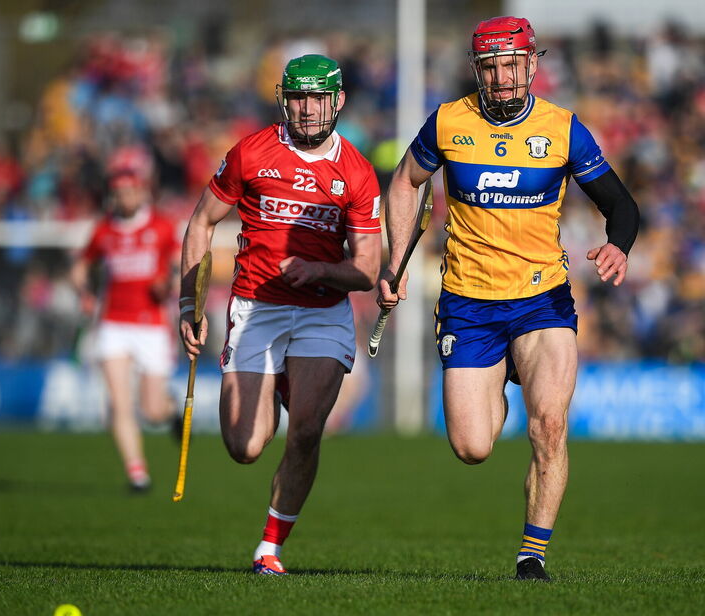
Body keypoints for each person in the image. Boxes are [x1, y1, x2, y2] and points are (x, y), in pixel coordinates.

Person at [378, 16, 639, 581]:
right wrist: (395, 261)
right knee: (472, 447)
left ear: (532, 65)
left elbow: (620, 204)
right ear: (478, 70)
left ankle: (531, 556)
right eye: (491, 67)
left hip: (542, 300)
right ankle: (501, 372)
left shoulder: (563, 129)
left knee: (549, 424)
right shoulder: (448, 122)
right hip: (468, 304)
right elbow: (403, 183)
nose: (502, 77)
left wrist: (618, 246)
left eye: (512, 64)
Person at [179, 54, 382, 575]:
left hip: (322, 312)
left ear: (338, 101)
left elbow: (365, 269)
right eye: (298, 97)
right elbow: (201, 222)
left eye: (318, 98)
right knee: (244, 446)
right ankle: (280, 384)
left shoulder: (357, 172)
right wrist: (189, 303)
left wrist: (320, 271)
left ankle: (269, 547)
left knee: (307, 430)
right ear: (283, 100)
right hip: (256, 308)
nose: (307, 108)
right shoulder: (251, 152)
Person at [71, 163, 181, 492]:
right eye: (119, 192)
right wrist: (85, 293)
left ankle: (169, 410)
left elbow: (177, 265)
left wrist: (167, 284)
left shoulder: (161, 226)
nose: (126, 197)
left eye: (131, 191)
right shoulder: (104, 230)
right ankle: (137, 474)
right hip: (113, 324)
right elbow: (81, 267)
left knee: (152, 411)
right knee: (119, 403)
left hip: (151, 324)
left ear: (142, 192)